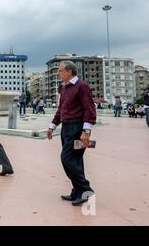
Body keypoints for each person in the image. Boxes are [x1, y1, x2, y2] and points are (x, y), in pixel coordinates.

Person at [46, 61, 96, 206]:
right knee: (76, 161)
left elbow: (89, 109)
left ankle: (86, 190)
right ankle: (77, 191)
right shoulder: (63, 88)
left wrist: (86, 131)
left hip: (77, 128)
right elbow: (61, 110)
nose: (58, 73)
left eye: (60, 70)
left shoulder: (82, 86)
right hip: (66, 128)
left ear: (69, 71)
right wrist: (52, 126)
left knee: (66, 158)